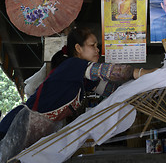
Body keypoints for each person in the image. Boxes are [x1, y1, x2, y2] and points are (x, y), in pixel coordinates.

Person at [0, 26, 157, 162]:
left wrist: (140, 95)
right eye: (92, 45)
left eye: (97, 45)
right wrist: (144, 73)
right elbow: (111, 72)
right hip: (15, 127)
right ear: (78, 48)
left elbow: (112, 91)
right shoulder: (72, 65)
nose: (97, 50)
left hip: (35, 133)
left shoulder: (84, 79)